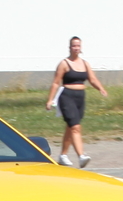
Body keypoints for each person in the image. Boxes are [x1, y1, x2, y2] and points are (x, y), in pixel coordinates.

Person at [45, 36, 108, 167]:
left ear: (81, 47)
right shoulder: (64, 63)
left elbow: (93, 79)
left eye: (78, 46)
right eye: (74, 46)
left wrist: (101, 88)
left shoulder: (85, 64)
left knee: (71, 126)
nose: (76, 48)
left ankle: (63, 155)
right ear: (70, 47)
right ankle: (81, 156)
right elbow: (56, 83)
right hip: (67, 96)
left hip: (80, 97)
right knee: (75, 127)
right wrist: (50, 100)